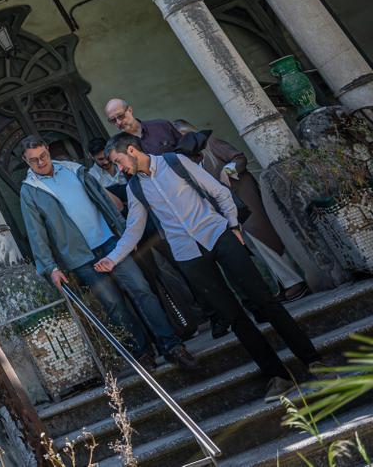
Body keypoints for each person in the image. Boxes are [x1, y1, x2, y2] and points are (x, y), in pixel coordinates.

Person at [98, 133, 321, 402]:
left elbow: (219, 192)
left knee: (264, 300)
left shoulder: (175, 161)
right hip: (188, 255)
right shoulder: (135, 188)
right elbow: (133, 229)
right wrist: (112, 258)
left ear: (131, 150)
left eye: (119, 161)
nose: (119, 168)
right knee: (234, 317)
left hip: (219, 236)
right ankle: (277, 376)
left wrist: (234, 226)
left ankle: (312, 361)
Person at [18, 136, 198, 370]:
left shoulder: (75, 170)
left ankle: (172, 346)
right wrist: (50, 266)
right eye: (33, 160)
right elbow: (36, 232)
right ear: (26, 160)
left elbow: (104, 201)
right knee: (114, 305)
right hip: (81, 258)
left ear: (49, 151)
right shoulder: (29, 191)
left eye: (43, 156)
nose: (40, 162)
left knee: (142, 290)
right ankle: (142, 354)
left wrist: (124, 232)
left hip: (112, 243)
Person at [173, 120, 308, 302]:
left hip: (245, 198)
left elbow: (239, 157)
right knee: (255, 248)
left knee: (265, 239)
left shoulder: (211, 142)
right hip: (233, 210)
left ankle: (295, 283)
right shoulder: (191, 159)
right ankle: (284, 284)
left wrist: (228, 170)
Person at [104, 99, 180, 156]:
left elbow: (186, 150)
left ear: (130, 110)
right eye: (113, 120)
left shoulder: (161, 126)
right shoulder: (118, 145)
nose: (118, 122)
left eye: (120, 116)